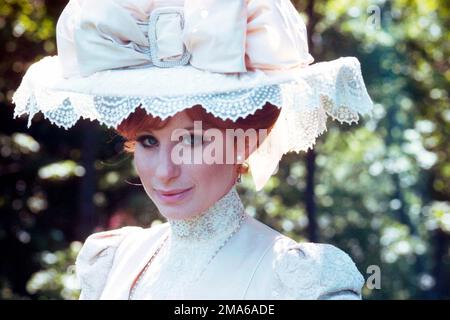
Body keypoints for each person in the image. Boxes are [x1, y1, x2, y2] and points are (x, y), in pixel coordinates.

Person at [12, 0, 374, 300]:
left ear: (245, 141)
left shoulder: (298, 281)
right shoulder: (113, 260)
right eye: (149, 141)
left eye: (194, 140)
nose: (165, 171)